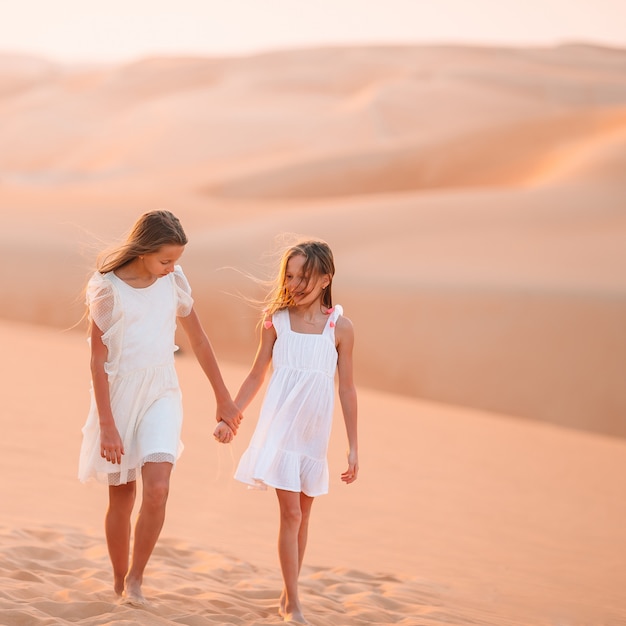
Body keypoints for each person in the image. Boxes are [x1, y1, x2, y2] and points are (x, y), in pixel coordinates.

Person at [78, 210, 242, 605]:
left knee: (158, 489)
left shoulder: (174, 283)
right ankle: (119, 581)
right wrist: (108, 425)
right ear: (143, 251)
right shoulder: (107, 290)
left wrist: (223, 396)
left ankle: (136, 579)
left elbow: (199, 341)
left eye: (177, 261)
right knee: (122, 496)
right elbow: (97, 362)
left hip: (162, 392)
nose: (171, 269)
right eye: (165, 260)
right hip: (118, 399)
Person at [214, 239, 359, 624]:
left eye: (305, 277)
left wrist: (353, 447)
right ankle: (293, 603)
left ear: (326, 278)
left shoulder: (340, 328)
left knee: (304, 515)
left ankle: (286, 593)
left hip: (313, 436)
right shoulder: (275, 320)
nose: (294, 284)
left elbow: (346, 388)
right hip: (280, 430)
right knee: (291, 513)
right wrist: (231, 417)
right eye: (290, 275)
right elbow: (257, 373)